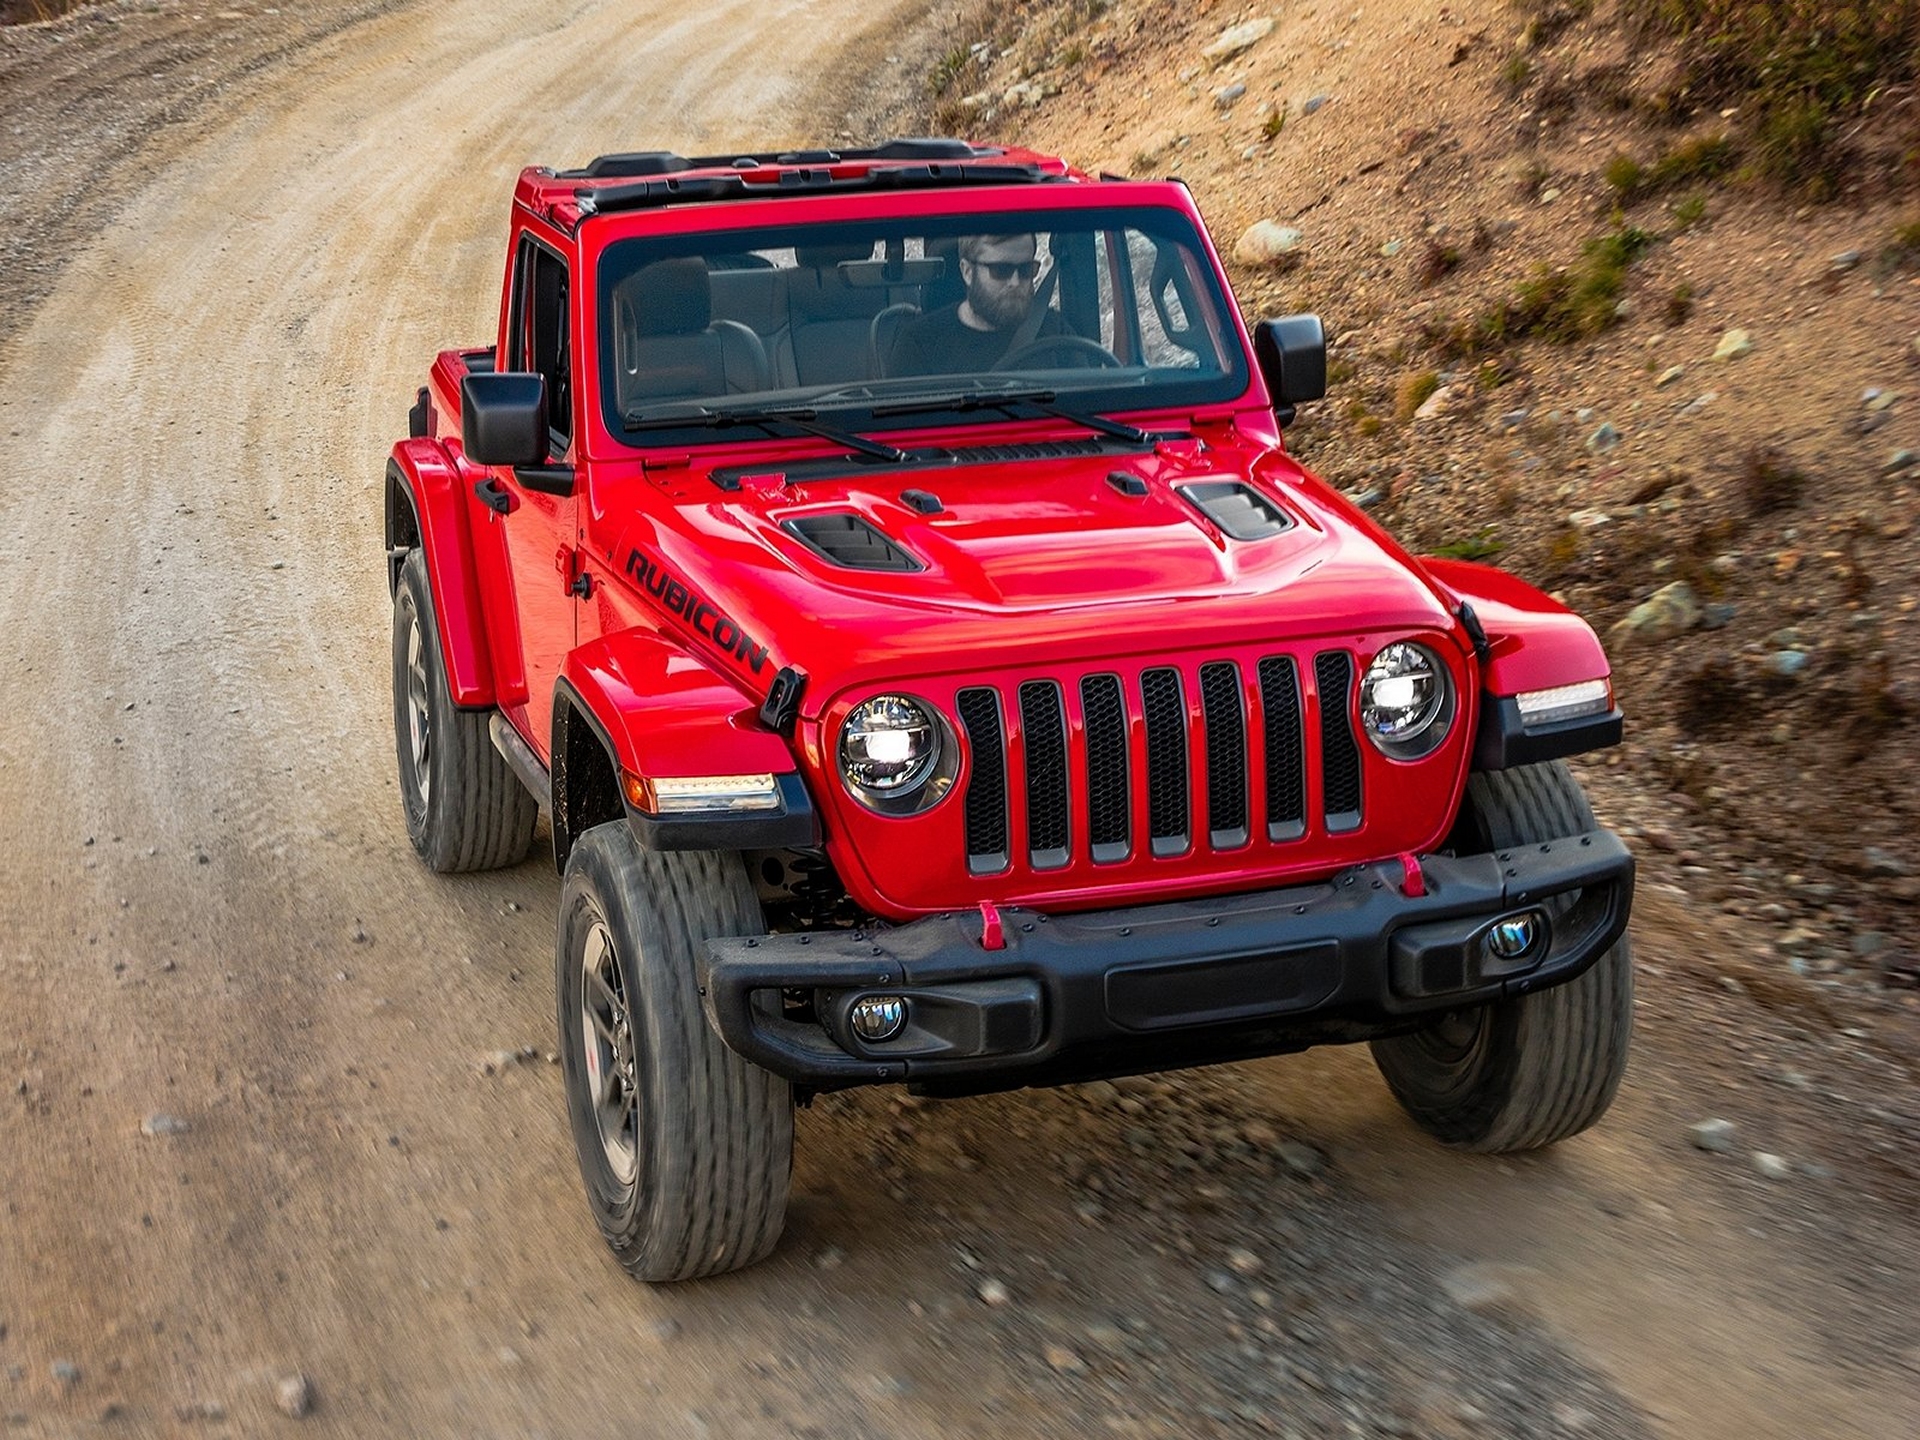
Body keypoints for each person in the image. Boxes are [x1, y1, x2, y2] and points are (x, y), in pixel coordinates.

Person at [888, 232, 1062, 376]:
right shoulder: (919, 344)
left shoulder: (1056, 331)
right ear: (968, 272)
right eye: (1000, 270)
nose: (1015, 282)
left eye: (1026, 269)